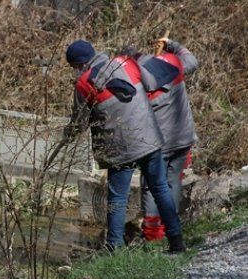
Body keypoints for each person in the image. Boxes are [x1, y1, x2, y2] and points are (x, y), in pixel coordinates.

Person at [64, 39, 186, 253]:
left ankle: (114, 249)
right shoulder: (126, 63)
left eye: (74, 67)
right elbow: (150, 85)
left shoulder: (83, 83)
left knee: (118, 198)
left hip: (119, 148)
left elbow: (79, 123)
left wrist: (66, 135)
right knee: (160, 188)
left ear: (78, 64)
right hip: (149, 138)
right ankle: (177, 243)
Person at [120, 39, 198, 241]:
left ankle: (153, 234)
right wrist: (171, 44)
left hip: (156, 143)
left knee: (153, 187)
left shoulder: (133, 78)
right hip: (182, 137)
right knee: (172, 183)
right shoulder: (171, 62)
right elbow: (191, 60)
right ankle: (171, 228)